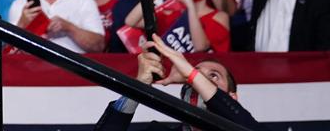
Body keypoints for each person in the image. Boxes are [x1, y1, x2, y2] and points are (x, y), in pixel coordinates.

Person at [94, 34, 262, 130]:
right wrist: (137, 88)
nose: (198, 79)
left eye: (214, 76)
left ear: (232, 98)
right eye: (195, 74)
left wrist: (190, 72)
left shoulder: (245, 125)